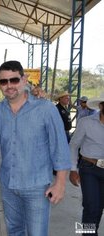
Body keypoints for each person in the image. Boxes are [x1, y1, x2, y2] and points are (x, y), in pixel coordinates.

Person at [0, 60, 71, 236]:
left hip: (37, 187)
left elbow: (60, 147)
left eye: (14, 80)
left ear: (24, 79)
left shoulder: (46, 108)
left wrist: (60, 183)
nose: (9, 85)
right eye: (3, 82)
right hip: (8, 184)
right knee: (14, 231)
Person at [69, 96, 104, 236]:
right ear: (101, 106)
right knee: (91, 206)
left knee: (99, 207)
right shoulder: (86, 122)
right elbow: (73, 145)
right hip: (89, 168)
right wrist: (72, 169)